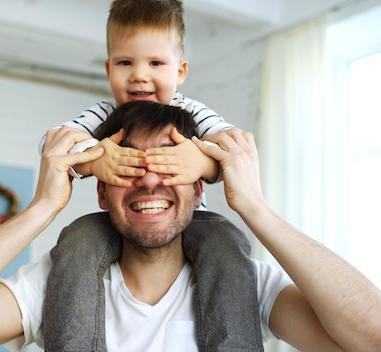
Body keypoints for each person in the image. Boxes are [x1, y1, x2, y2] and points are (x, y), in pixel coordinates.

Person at [0, 101, 381, 352]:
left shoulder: (248, 284)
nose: (148, 181)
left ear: (200, 184)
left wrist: (254, 206)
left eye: (168, 164)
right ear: (101, 188)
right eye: (128, 166)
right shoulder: (55, 284)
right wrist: (42, 207)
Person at [41, 1, 240, 349]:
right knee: (75, 239)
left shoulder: (190, 111)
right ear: (108, 69)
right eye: (125, 62)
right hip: (120, 221)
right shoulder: (104, 114)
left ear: (180, 72)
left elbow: (233, 151)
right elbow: (52, 143)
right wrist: (94, 161)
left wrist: (201, 163)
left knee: (228, 243)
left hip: (195, 220)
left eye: (156, 63)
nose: (139, 75)